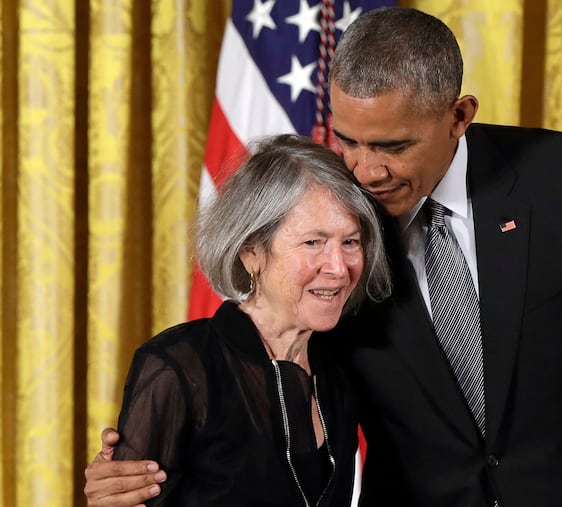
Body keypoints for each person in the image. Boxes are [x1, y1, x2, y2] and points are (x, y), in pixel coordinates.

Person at [85, 7, 562, 507]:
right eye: (349, 140)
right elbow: (262, 401)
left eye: (393, 146)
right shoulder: (340, 216)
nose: (366, 171)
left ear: (458, 117)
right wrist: (139, 468)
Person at [84, 133, 392, 506]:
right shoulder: (177, 366)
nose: (339, 268)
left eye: (350, 242)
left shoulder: (343, 365)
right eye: (313, 242)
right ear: (251, 252)